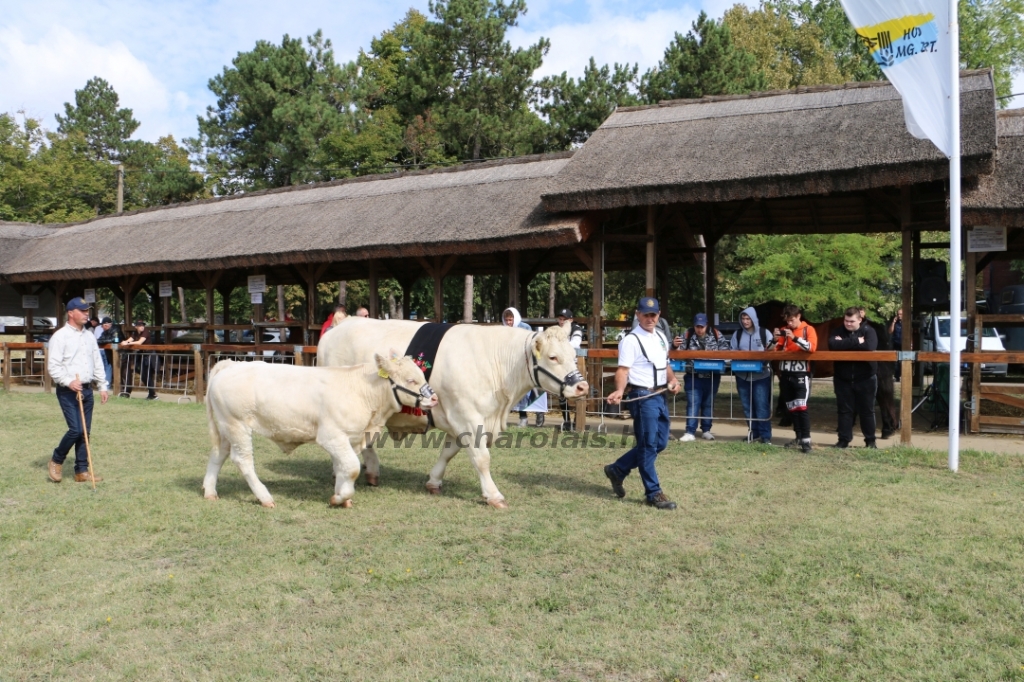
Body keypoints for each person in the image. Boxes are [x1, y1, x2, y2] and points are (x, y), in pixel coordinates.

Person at [604, 296, 681, 510]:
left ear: (658, 315)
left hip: (660, 396)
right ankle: (653, 493)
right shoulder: (631, 340)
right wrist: (620, 390)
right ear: (638, 315)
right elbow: (623, 370)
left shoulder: (661, 338)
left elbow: (665, 366)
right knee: (648, 445)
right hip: (642, 397)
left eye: (653, 314)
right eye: (645, 314)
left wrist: (673, 380)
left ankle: (618, 469)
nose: (650, 318)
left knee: (660, 444)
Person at [46, 297, 108, 483]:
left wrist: (103, 385)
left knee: (85, 432)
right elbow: (53, 366)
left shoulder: (89, 335)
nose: (86, 314)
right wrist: (68, 381)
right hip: (68, 390)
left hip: (87, 389)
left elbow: (97, 362)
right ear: (71, 313)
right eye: (82, 311)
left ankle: (81, 471)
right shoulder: (60, 336)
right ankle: (56, 460)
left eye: (87, 310)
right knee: (75, 430)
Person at [674, 313, 729, 442]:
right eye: (697, 326)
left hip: (712, 375)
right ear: (694, 325)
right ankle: (690, 432)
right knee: (693, 403)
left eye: (702, 326)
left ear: (706, 325)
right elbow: (677, 353)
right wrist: (675, 346)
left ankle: (706, 430)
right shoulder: (687, 334)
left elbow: (726, 352)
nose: (699, 329)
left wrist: (714, 359)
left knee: (708, 404)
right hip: (693, 375)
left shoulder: (716, 334)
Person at [828, 307, 879, 448]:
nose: (848, 324)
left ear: (859, 320)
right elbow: (833, 345)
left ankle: (870, 441)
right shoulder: (838, 331)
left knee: (867, 411)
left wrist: (844, 344)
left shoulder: (869, 331)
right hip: (842, 378)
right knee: (844, 410)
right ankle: (843, 440)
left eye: (851, 321)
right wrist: (857, 341)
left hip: (866, 378)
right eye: (846, 320)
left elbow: (870, 346)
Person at [772, 304, 817, 453]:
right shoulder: (785, 331)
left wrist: (795, 338)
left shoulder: (807, 329)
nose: (789, 324)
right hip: (786, 375)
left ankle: (806, 440)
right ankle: (798, 437)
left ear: (798, 316)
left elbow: (811, 347)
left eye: (791, 320)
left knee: (801, 407)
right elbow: (771, 350)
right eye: (787, 321)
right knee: (792, 408)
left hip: (801, 374)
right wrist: (774, 339)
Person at [731, 307, 776, 444]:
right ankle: (753, 433)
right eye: (743, 319)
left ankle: (765, 436)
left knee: (761, 406)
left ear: (753, 319)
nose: (745, 321)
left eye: (748, 318)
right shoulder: (737, 335)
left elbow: (772, 350)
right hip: (742, 376)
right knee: (747, 406)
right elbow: (731, 352)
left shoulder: (765, 333)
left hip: (761, 376)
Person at [503, 307, 544, 427]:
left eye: (511, 320)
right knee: (519, 393)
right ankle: (523, 417)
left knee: (534, 390)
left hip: (527, 363)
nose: (509, 323)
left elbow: (530, 344)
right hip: (512, 365)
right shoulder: (503, 330)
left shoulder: (525, 328)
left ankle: (539, 414)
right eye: (507, 320)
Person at [556, 308, 585, 431]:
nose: (562, 322)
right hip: (561, 366)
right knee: (561, 394)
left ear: (571, 320)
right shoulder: (556, 330)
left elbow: (575, 343)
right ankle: (566, 420)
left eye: (565, 319)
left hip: (575, 365)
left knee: (578, 393)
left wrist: (559, 347)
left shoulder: (576, 328)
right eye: (560, 319)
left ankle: (577, 422)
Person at [120, 319, 158, 400]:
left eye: (143, 325)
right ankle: (152, 394)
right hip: (142, 355)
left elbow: (139, 342)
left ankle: (153, 394)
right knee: (143, 375)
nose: (142, 327)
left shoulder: (146, 332)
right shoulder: (135, 333)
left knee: (147, 375)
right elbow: (130, 339)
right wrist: (124, 342)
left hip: (149, 355)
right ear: (136, 327)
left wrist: (128, 343)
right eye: (140, 325)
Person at [95, 317, 116, 387]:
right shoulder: (104, 332)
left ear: (107, 325)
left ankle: (107, 386)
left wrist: (104, 342)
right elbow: (99, 340)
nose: (102, 327)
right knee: (106, 367)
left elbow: (115, 340)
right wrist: (105, 341)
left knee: (108, 367)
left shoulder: (115, 330)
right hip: (107, 352)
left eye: (103, 326)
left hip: (117, 353)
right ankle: (105, 385)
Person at [888, 308, 904, 380]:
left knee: (903, 360)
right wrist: (893, 322)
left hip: (904, 344)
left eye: (901, 314)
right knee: (896, 361)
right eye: (898, 314)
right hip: (896, 343)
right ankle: (897, 376)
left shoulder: (906, 323)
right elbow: (890, 331)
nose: (899, 316)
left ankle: (903, 375)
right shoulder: (896, 323)